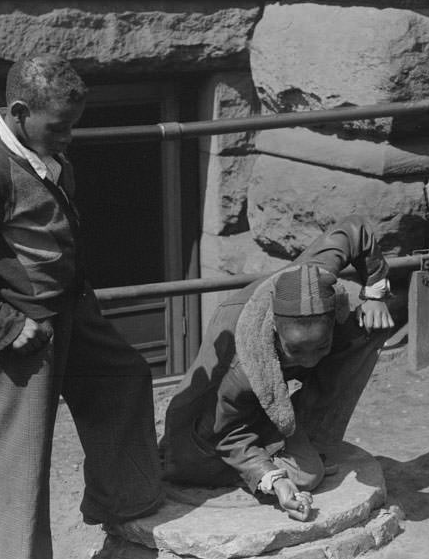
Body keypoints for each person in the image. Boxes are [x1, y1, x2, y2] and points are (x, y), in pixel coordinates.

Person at [0, 55, 164, 559]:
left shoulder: (47, 151)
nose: (69, 136)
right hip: (24, 329)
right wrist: (2, 324)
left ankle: (122, 504)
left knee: (126, 378)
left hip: (74, 312)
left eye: (73, 124)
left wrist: (80, 303)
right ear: (17, 112)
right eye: (59, 126)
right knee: (25, 451)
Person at [160, 216, 394, 521]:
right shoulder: (243, 367)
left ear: (333, 311)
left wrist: (375, 292)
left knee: (371, 326)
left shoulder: (316, 277)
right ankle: (273, 447)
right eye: (296, 350)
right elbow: (225, 433)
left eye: (320, 347)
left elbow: (355, 231)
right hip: (208, 427)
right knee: (306, 476)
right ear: (274, 328)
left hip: (261, 391)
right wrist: (273, 478)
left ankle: (307, 430)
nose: (310, 361)